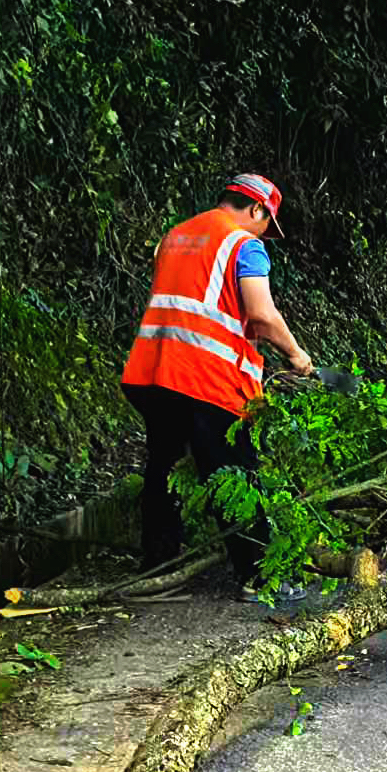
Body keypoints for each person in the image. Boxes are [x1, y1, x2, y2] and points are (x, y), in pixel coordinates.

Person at [120, 173, 316, 601]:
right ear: (257, 209)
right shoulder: (244, 245)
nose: (264, 233)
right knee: (234, 473)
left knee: (165, 469)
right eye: (266, 223)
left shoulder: (176, 236)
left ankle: (157, 573)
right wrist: (296, 354)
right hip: (206, 377)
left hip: (153, 370)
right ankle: (261, 578)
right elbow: (260, 314)